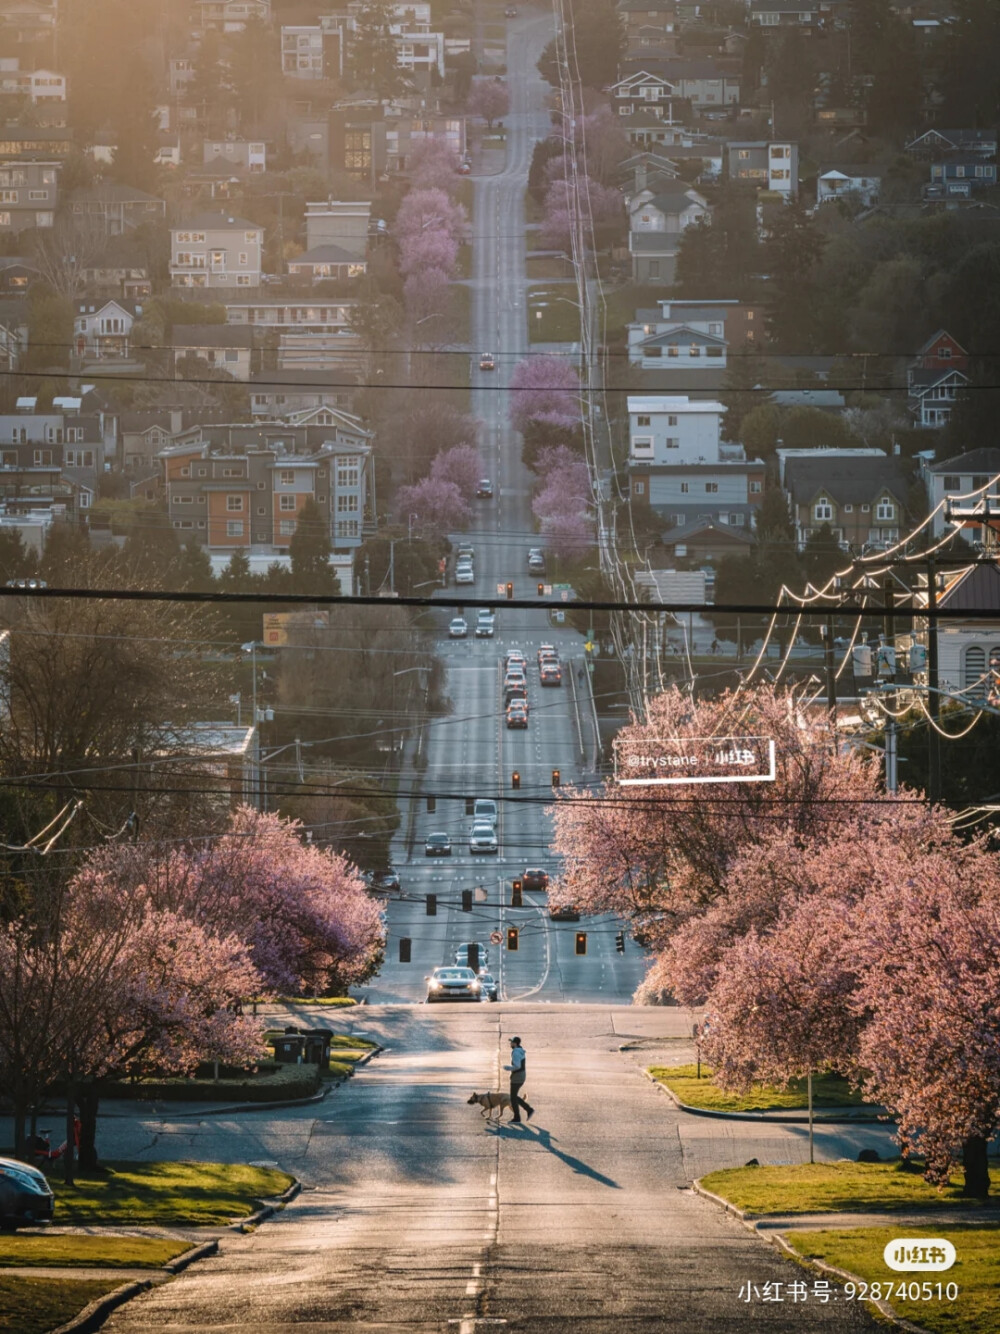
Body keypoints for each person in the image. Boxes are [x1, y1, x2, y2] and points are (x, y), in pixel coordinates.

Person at [503, 1035, 533, 1123]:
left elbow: (517, 1066)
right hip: (521, 1075)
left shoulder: (516, 1052)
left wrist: (508, 1068)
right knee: (513, 1097)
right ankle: (526, 1111)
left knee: (513, 1097)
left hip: (517, 1076)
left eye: (511, 1042)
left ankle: (519, 1116)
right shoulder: (520, 1050)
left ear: (515, 1043)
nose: (510, 1044)